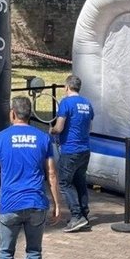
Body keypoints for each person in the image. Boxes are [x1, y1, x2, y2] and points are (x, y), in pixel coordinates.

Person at [0, 96, 61, 259]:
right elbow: (52, 173)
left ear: (12, 113)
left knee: (6, 253)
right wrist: (57, 203)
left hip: (9, 203)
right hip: (36, 203)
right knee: (34, 252)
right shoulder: (43, 138)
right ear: (30, 115)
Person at [50, 74, 94, 233]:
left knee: (64, 183)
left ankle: (76, 216)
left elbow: (59, 127)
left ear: (67, 87)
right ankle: (84, 215)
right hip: (85, 149)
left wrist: (53, 130)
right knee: (80, 182)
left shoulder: (66, 103)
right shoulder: (87, 104)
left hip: (70, 150)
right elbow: (90, 129)